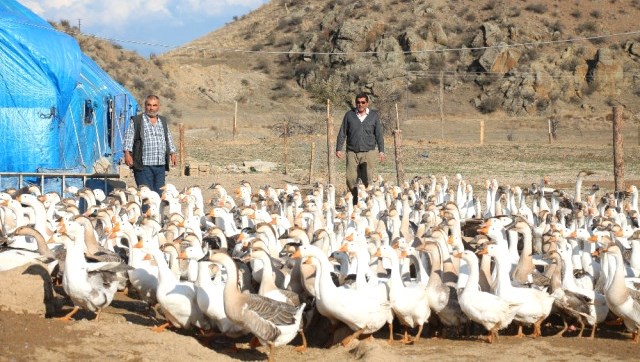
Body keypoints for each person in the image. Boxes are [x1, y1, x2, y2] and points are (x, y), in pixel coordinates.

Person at [123, 95, 177, 195]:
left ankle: (157, 211)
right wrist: (127, 153)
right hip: (143, 166)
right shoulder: (137, 120)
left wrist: (173, 153)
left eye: (154, 105)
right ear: (145, 106)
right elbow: (129, 138)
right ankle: (145, 211)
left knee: (159, 194)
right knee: (146, 194)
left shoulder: (163, 121)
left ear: (158, 106)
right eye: (149, 105)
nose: (151, 108)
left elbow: (168, 137)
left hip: (160, 165)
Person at [335, 93, 385, 202]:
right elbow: (342, 132)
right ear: (355, 103)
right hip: (352, 151)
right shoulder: (349, 115)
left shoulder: (374, 116)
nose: (360, 104)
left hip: (369, 151)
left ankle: (367, 201)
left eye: (363, 102)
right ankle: (354, 200)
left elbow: (379, 134)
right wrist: (339, 148)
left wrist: (381, 150)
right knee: (350, 178)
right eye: (358, 102)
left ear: (367, 103)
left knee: (367, 178)